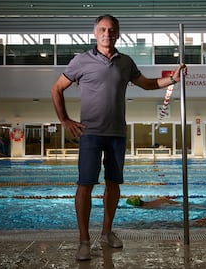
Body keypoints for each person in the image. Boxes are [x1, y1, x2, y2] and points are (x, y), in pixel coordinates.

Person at [51, 14, 187, 261]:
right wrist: (65, 120)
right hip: (90, 133)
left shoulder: (125, 62)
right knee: (85, 185)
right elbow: (56, 88)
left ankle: (106, 232)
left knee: (114, 185)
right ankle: (83, 240)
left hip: (117, 134)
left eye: (112, 30)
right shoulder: (81, 61)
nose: (107, 33)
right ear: (95, 33)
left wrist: (173, 79)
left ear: (118, 34)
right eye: (103, 29)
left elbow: (146, 84)